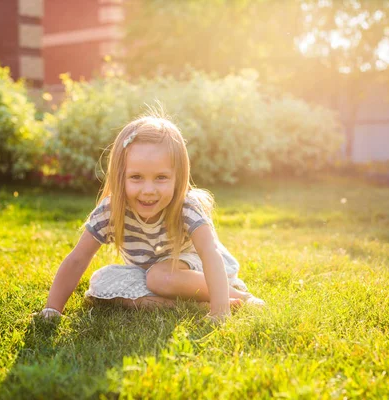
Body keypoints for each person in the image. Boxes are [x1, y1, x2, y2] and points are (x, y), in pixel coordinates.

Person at [39, 114, 264, 322]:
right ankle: (193, 305)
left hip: (198, 268)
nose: (149, 190)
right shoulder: (111, 210)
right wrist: (52, 309)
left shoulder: (186, 207)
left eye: (161, 178)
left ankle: (238, 297)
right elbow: (78, 259)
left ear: (178, 177)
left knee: (159, 277)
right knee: (101, 284)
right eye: (136, 177)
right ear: (120, 177)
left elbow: (209, 254)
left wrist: (220, 312)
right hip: (149, 273)